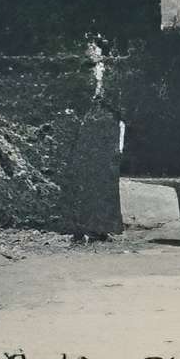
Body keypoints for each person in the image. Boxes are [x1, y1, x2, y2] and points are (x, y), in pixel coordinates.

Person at [62, 36, 126, 243]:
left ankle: (101, 227)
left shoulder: (114, 74)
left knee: (104, 177)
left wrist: (120, 128)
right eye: (88, 46)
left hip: (107, 127)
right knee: (83, 175)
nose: (89, 50)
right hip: (87, 126)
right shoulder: (80, 73)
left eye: (93, 47)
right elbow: (74, 98)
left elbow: (120, 104)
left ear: (101, 51)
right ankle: (79, 226)